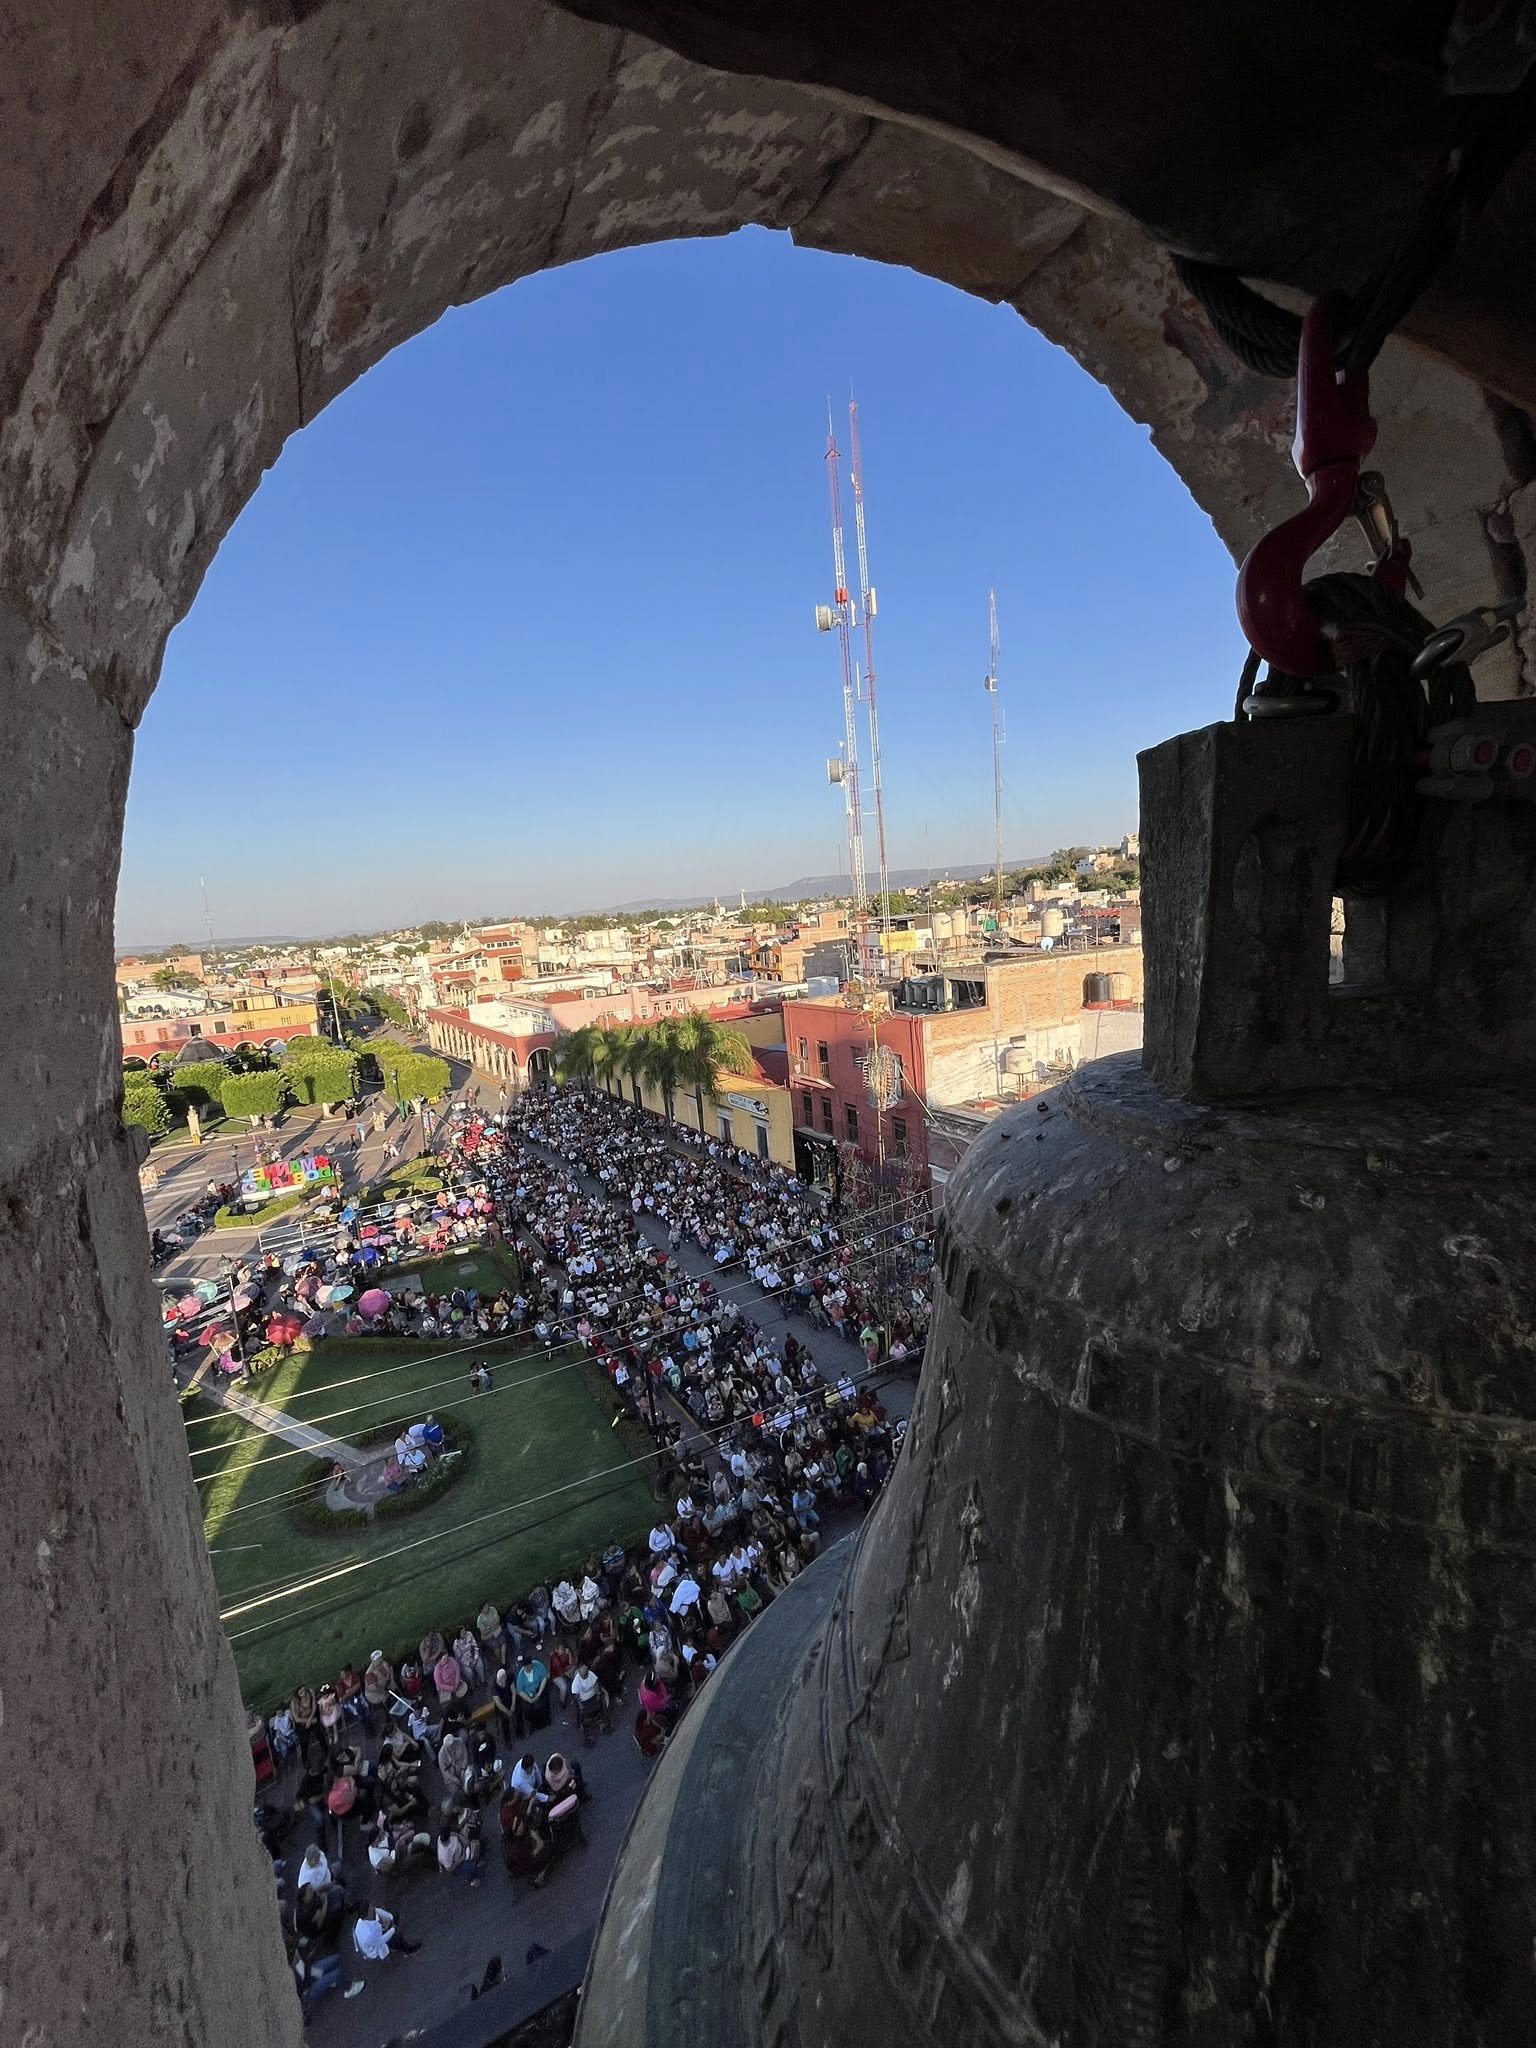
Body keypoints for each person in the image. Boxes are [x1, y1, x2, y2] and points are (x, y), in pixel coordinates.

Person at [346, 1904, 420, 1995]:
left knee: (388, 1929)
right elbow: (382, 1940)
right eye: (370, 1909)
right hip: (374, 1949)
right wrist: (393, 1928)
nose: (373, 1909)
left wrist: (390, 1918)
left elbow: (378, 1911)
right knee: (395, 1939)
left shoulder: (363, 1921)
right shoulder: (369, 1934)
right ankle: (407, 1950)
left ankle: (396, 1939)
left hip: (374, 1940)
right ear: (366, 1916)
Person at [513, 1652, 551, 1736]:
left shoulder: (537, 1665)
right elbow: (520, 1691)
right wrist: (529, 1699)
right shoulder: (521, 1675)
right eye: (527, 1666)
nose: (529, 1667)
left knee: (544, 1703)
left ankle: (546, 1718)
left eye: (530, 1665)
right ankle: (533, 1724)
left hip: (539, 1689)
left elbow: (544, 1678)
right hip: (528, 1694)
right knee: (528, 1710)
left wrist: (539, 1693)